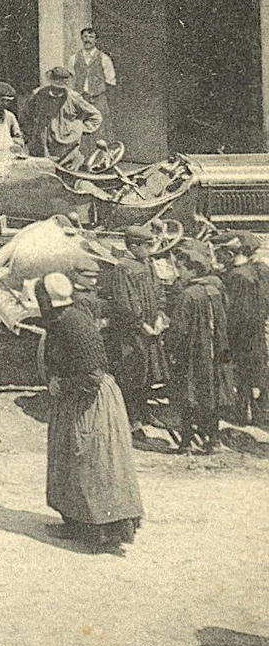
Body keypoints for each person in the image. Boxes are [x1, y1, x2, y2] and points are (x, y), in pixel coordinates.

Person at [36, 273, 144, 550]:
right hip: (74, 400)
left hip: (91, 402)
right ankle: (75, 522)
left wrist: (63, 385)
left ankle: (102, 533)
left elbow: (93, 376)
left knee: (92, 463)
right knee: (70, 463)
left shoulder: (73, 324)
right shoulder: (60, 321)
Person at [101, 225, 168, 432]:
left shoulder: (147, 262)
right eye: (147, 246)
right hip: (132, 332)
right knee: (132, 374)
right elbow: (125, 303)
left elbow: (158, 290)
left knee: (148, 373)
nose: (150, 250)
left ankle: (144, 411)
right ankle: (132, 419)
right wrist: (142, 324)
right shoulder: (122, 267)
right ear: (134, 246)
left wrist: (158, 316)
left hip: (150, 328)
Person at [169, 240, 232, 453]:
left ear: (193, 269)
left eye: (181, 268)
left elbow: (178, 330)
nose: (179, 273)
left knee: (188, 395)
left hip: (193, 355)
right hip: (216, 353)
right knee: (212, 394)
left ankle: (186, 441)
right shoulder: (215, 289)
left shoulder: (187, 295)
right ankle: (213, 440)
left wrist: (172, 351)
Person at [222, 231, 269, 424]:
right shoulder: (256, 271)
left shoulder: (237, 276)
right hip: (255, 329)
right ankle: (258, 411)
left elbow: (235, 310)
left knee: (241, 373)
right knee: (256, 371)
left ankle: (244, 412)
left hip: (241, 332)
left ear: (233, 254)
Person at [22, 66, 102, 162]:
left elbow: (95, 116)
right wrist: (31, 133)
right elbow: (26, 114)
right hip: (42, 143)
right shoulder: (39, 94)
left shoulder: (73, 97)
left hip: (67, 146)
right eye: (55, 87)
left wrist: (79, 128)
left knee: (68, 173)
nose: (58, 90)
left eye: (61, 88)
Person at [69, 27, 117, 122]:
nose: (87, 40)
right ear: (82, 39)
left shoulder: (104, 58)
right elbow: (70, 79)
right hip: (80, 100)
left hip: (98, 100)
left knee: (99, 128)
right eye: (85, 37)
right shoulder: (73, 58)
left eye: (91, 37)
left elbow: (110, 81)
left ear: (96, 40)